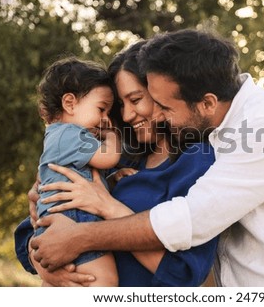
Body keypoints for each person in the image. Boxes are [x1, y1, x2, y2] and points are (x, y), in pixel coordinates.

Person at [28, 29, 264, 286]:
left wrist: (83, 236)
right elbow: (40, 225)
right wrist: (46, 252)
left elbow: (190, 221)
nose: (158, 115)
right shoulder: (200, 138)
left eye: (162, 105)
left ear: (207, 102)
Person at [15, 41, 218, 286]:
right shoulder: (114, 157)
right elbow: (29, 233)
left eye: (135, 99)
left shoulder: (198, 161)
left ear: (161, 94)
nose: (125, 115)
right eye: (120, 105)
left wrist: (105, 206)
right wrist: (48, 266)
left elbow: (185, 275)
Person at [31, 56, 121, 286]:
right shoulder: (70, 134)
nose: (105, 120)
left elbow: (88, 178)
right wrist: (113, 137)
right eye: (102, 109)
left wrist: (113, 178)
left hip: (59, 219)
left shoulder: (60, 136)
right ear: (69, 103)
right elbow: (108, 157)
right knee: (104, 280)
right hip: (72, 218)